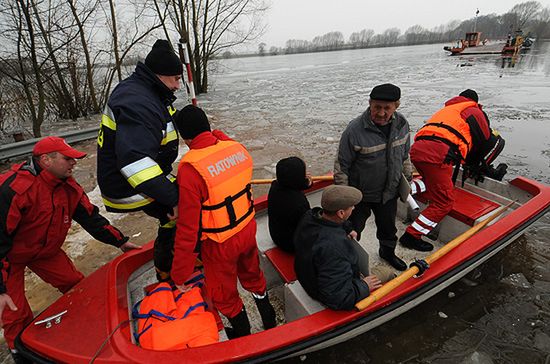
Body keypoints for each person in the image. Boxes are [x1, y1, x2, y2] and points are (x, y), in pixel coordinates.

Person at [0, 137, 138, 362]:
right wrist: (1, 288)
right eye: (67, 159)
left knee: (78, 286)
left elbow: (91, 219)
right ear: (46, 160)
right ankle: (22, 355)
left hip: (45, 252)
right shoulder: (15, 189)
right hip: (9, 256)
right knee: (14, 312)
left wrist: (120, 241)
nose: (74, 163)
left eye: (74, 159)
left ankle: (83, 330)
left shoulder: (69, 188)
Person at [172, 105, 276, 339]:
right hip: (248, 230)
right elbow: (221, 138)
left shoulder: (190, 170)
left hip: (219, 245)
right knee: (252, 275)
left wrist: (180, 274)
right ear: (207, 127)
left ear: (185, 137)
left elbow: (188, 229)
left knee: (223, 293)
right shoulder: (236, 148)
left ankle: (243, 335)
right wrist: (215, 133)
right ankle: (269, 319)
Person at [97, 39, 183, 281]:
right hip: (128, 184)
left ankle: (168, 264)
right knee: (182, 211)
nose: (178, 86)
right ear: (161, 75)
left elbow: (167, 120)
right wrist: (173, 198)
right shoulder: (139, 102)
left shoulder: (146, 90)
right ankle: (170, 270)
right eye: (176, 79)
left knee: (181, 200)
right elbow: (135, 163)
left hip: (147, 172)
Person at [400, 89, 506, 249]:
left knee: (431, 182)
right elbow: (485, 139)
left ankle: (402, 190)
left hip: (418, 151)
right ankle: (412, 236)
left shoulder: (448, 110)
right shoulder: (473, 110)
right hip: (439, 155)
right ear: (475, 101)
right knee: (444, 203)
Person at [334, 83, 412, 271]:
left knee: (388, 228)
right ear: (369, 103)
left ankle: (387, 252)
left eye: (387, 108)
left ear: (396, 106)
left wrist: (407, 180)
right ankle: (349, 261)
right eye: (377, 107)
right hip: (360, 195)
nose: (381, 112)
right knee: (352, 230)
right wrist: (345, 200)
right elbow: (341, 166)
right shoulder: (354, 130)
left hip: (389, 192)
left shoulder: (402, 125)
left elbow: (405, 155)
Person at [294, 185, 382, 311]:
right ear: (341, 213)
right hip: (322, 291)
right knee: (387, 275)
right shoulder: (334, 246)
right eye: (351, 207)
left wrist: (347, 227)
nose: (354, 208)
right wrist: (364, 286)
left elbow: (329, 221)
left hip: (307, 275)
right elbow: (339, 298)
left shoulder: (310, 216)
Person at [267, 156, 312, 252]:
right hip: (290, 244)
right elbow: (309, 225)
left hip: (276, 234)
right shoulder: (298, 203)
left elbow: (292, 186)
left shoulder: (275, 185)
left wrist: (305, 183)